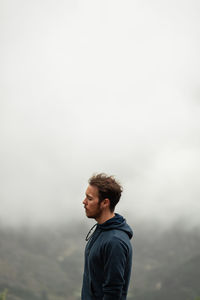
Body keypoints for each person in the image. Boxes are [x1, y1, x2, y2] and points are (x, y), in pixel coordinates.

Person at [81, 173, 133, 300]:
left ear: (105, 203)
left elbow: (113, 292)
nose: (84, 202)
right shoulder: (101, 228)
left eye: (90, 198)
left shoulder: (115, 242)